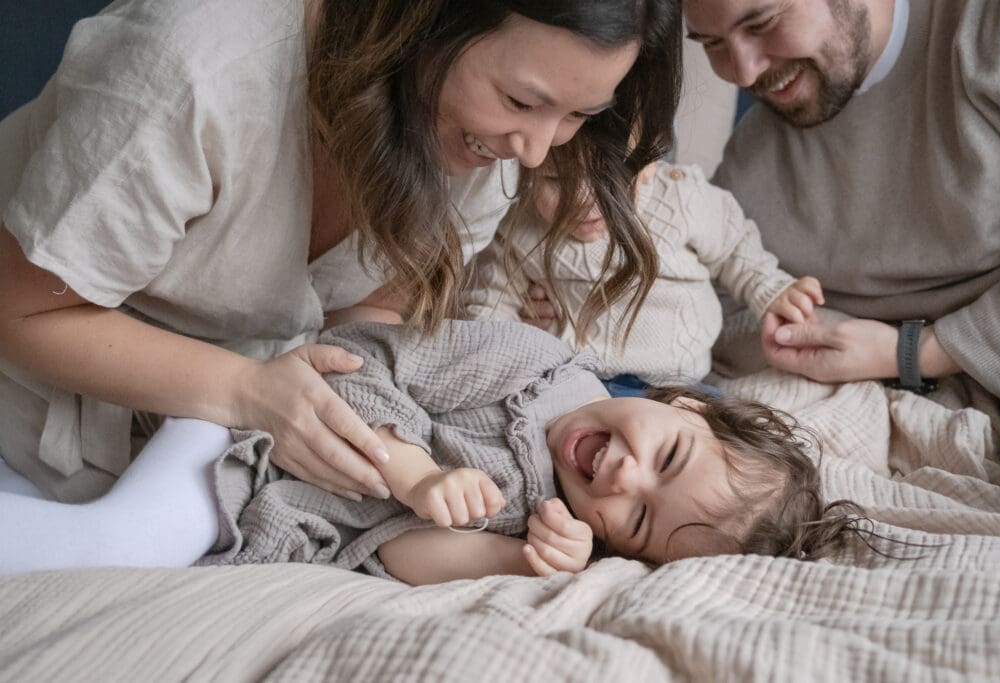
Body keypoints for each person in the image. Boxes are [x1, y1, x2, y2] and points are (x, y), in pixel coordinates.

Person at [0, 0, 683, 505]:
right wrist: (245, 390)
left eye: (577, 115)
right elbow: (21, 311)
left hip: (221, 430)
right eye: (520, 100)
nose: (535, 150)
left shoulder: (485, 142)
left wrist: (403, 446)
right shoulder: (196, 68)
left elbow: (365, 327)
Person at [0, 319, 867, 582]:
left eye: (637, 521)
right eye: (667, 454)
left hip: (258, 505)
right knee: (112, 548)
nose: (622, 476)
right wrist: (412, 466)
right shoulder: (540, 372)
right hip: (241, 425)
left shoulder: (556, 523)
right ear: (685, 404)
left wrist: (517, 561)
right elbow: (361, 358)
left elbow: (395, 551)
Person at [680, 0, 1000, 480]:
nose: (742, 72)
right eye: (712, 43)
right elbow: (706, 307)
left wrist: (913, 352)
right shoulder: (750, 168)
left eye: (762, 22)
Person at [465, 157, 824, 390]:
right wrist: (497, 352)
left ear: (649, 163)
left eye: (609, 174)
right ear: (526, 171)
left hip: (678, 384)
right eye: (556, 179)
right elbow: (490, 306)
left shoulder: (679, 198)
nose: (583, 200)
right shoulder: (516, 227)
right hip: (574, 381)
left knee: (720, 442)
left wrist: (770, 288)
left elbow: (734, 246)